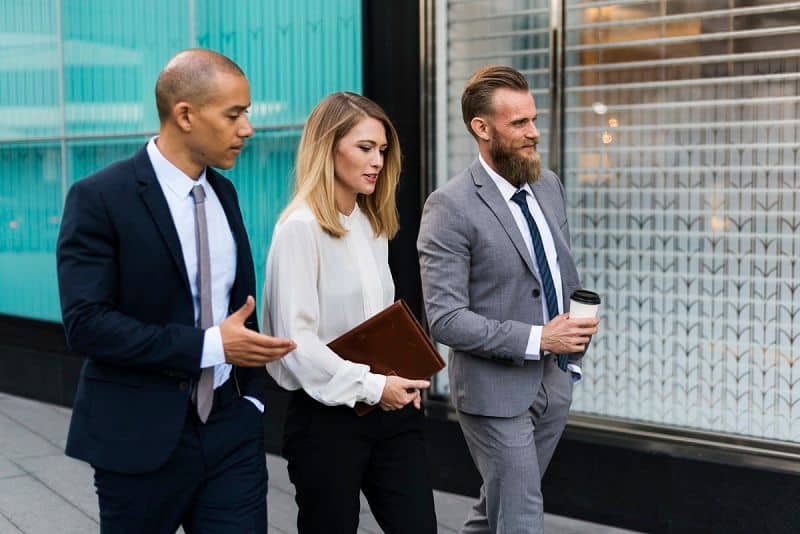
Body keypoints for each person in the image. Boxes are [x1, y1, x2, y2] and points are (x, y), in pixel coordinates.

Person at [56, 49, 296, 533]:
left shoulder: (224, 193)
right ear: (185, 115)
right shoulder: (100, 198)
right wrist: (210, 346)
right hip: (139, 436)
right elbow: (86, 323)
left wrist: (251, 404)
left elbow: (237, 307)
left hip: (231, 431)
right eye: (234, 114)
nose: (247, 128)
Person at [417, 65, 600, 534]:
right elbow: (445, 319)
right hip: (493, 392)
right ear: (482, 128)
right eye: (519, 123)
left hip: (554, 383)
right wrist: (542, 338)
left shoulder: (548, 185)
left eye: (533, 119)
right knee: (521, 513)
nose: (534, 133)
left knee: (496, 507)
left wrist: (573, 337)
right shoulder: (449, 206)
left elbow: (556, 272)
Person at [263, 91, 437, 534]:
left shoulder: (370, 223)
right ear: (327, 147)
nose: (377, 160)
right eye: (364, 148)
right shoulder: (299, 229)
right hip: (327, 420)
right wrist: (375, 386)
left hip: (392, 413)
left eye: (381, 150)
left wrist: (403, 375)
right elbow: (296, 344)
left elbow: (378, 323)